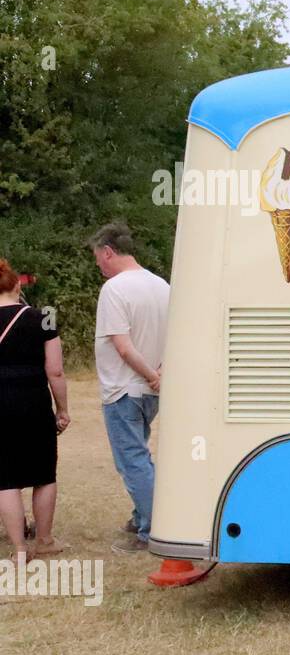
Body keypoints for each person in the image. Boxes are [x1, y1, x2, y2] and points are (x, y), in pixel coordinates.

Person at [89, 223, 170, 553]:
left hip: (124, 389)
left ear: (108, 251)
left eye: (98, 259)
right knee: (139, 454)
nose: (98, 266)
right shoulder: (161, 285)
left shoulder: (115, 289)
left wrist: (150, 373)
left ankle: (153, 530)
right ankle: (141, 515)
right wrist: (160, 374)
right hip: (151, 392)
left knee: (132, 460)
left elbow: (122, 346)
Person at [0, 259, 70, 562]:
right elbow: (54, 371)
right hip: (33, 401)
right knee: (43, 473)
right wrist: (62, 409)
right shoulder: (44, 318)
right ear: (18, 285)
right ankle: (44, 540)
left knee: (5, 479)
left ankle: (18, 549)